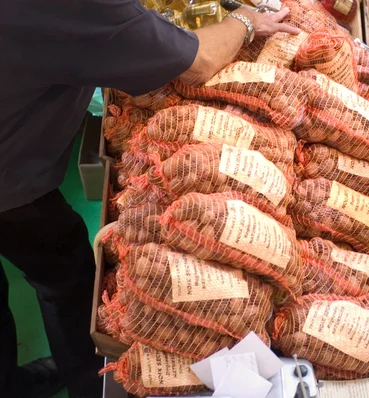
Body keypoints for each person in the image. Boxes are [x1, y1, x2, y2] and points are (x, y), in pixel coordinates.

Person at [0, 1, 298, 397]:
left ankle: (10, 381)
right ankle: (88, 381)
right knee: (64, 272)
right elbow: (198, 61)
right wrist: (245, 20)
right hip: (10, 184)